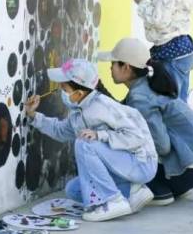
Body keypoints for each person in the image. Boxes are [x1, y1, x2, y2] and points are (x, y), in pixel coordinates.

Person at [25, 59, 157, 222]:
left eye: (64, 88)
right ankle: (131, 191)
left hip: (141, 163)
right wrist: (33, 115)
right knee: (74, 190)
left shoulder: (103, 106)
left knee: (84, 142)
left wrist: (100, 135)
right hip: (123, 165)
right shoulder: (78, 111)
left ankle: (112, 201)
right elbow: (60, 131)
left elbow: (137, 137)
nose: (60, 91)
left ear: (79, 93)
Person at [99, 37, 193, 205]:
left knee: (119, 145)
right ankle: (169, 187)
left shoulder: (140, 97)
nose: (110, 68)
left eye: (113, 64)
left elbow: (162, 146)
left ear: (126, 67)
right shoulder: (146, 84)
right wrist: (98, 90)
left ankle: (159, 191)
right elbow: (122, 111)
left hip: (187, 170)